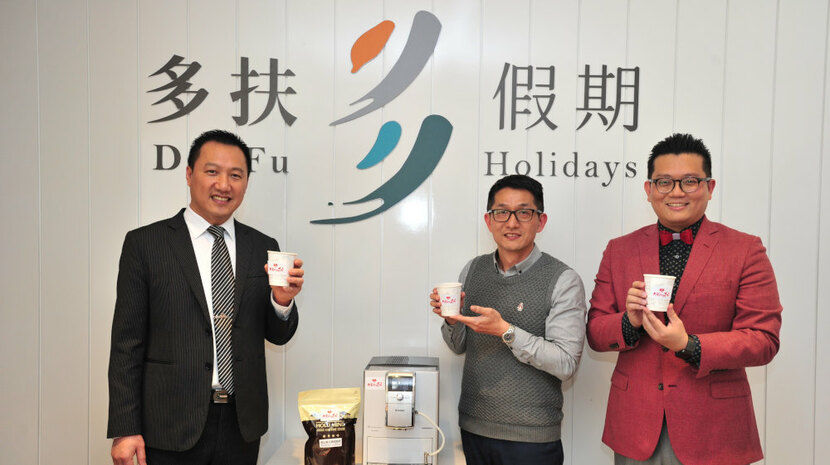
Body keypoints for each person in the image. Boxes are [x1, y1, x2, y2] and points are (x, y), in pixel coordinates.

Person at [107, 130, 303, 465]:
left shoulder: (262, 246)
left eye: (235, 175)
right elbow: (127, 344)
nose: (224, 185)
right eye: (212, 171)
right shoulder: (146, 244)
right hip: (168, 426)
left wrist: (282, 302)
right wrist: (125, 428)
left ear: (246, 183)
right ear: (189, 174)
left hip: (241, 426)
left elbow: (278, 335)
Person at [586, 133, 782, 465]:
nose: (676, 192)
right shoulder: (619, 250)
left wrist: (689, 345)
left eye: (689, 181)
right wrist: (629, 322)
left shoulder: (745, 249)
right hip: (635, 425)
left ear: (710, 187)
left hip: (715, 429)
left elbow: (764, 339)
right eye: (664, 182)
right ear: (649, 189)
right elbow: (595, 332)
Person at [429, 174, 586, 465]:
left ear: (541, 221)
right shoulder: (473, 270)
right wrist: (451, 320)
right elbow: (458, 346)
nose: (511, 223)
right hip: (474, 426)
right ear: (489, 221)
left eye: (524, 213)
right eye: (501, 212)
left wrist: (505, 331)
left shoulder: (563, 279)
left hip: (532, 438)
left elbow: (566, 363)